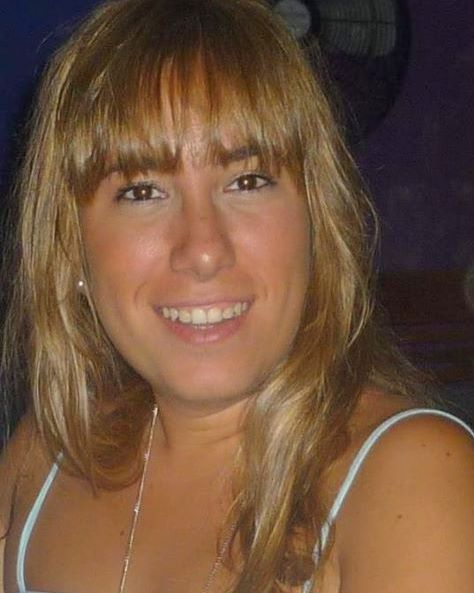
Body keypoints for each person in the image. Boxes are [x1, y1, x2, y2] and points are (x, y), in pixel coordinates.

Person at [1, 0, 473, 592]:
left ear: (316, 221)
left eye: (247, 181)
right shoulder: (46, 455)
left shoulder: (411, 477)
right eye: (142, 192)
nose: (203, 250)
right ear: (70, 246)